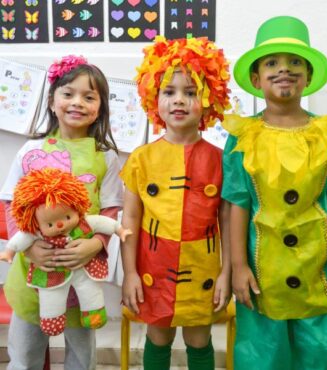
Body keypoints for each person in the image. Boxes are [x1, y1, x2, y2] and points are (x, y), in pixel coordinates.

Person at [221, 16, 327, 370]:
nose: (283, 70)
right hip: (261, 271)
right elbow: (237, 205)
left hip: (317, 268)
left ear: (308, 76)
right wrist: (238, 266)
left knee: (321, 353)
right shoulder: (243, 136)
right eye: (272, 63)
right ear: (256, 79)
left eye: (294, 62)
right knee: (263, 354)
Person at [0, 55, 123, 370]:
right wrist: (29, 246)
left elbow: (111, 207)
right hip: (33, 270)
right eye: (68, 94)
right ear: (52, 101)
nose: (77, 102)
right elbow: (10, 202)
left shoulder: (105, 157)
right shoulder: (31, 151)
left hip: (81, 270)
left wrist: (96, 244)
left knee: (82, 357)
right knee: (25, 354)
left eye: (89, 96)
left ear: (101, 108)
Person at [120, 36, 231, 370]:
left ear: (210, 98)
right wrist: (129, 273)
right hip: (153, 268)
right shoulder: (142, 158)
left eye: (191, 91)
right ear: (155, 98)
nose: (179, 100)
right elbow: (129, 219)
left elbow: (228, 221)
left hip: (203, 270)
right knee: (159, 337)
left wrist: (227, 272)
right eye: (169, 92)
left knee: (199, 339)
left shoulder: (221, 160)